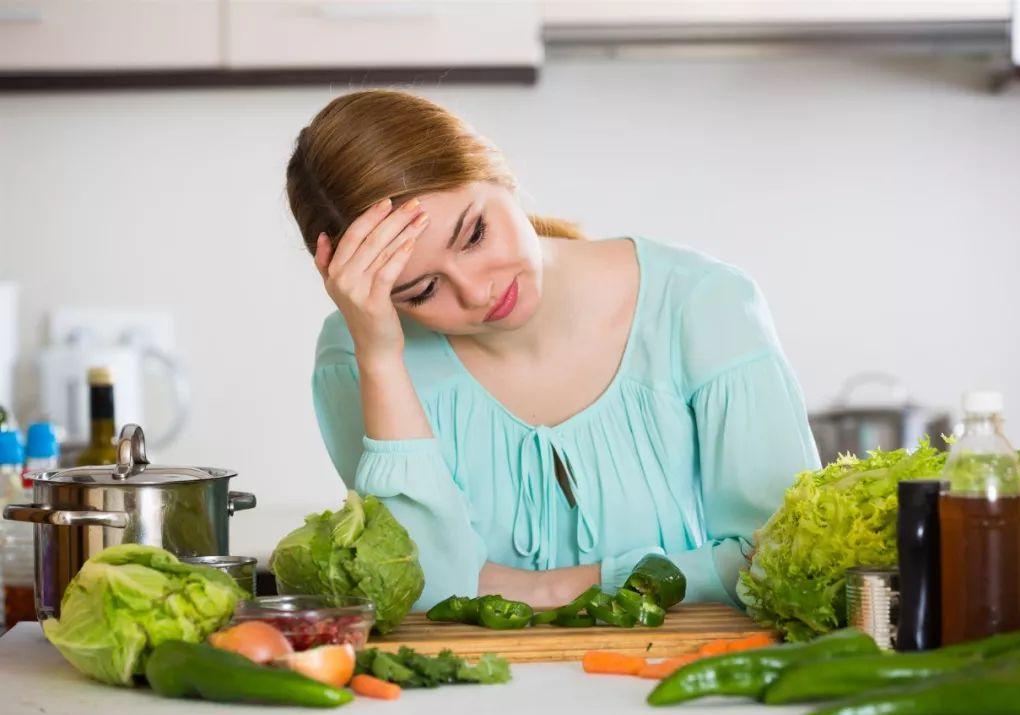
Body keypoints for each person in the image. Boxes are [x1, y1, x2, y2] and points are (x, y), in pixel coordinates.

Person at [285, 89, 820, 612]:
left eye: (474, 235)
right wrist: (380, 356)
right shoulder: (358, 356)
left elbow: (783, 558)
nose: (476, 292)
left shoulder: (703, 305)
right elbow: (421, 587)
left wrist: (551, 590)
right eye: (421, 291)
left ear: (498, 173)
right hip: (466, 697)